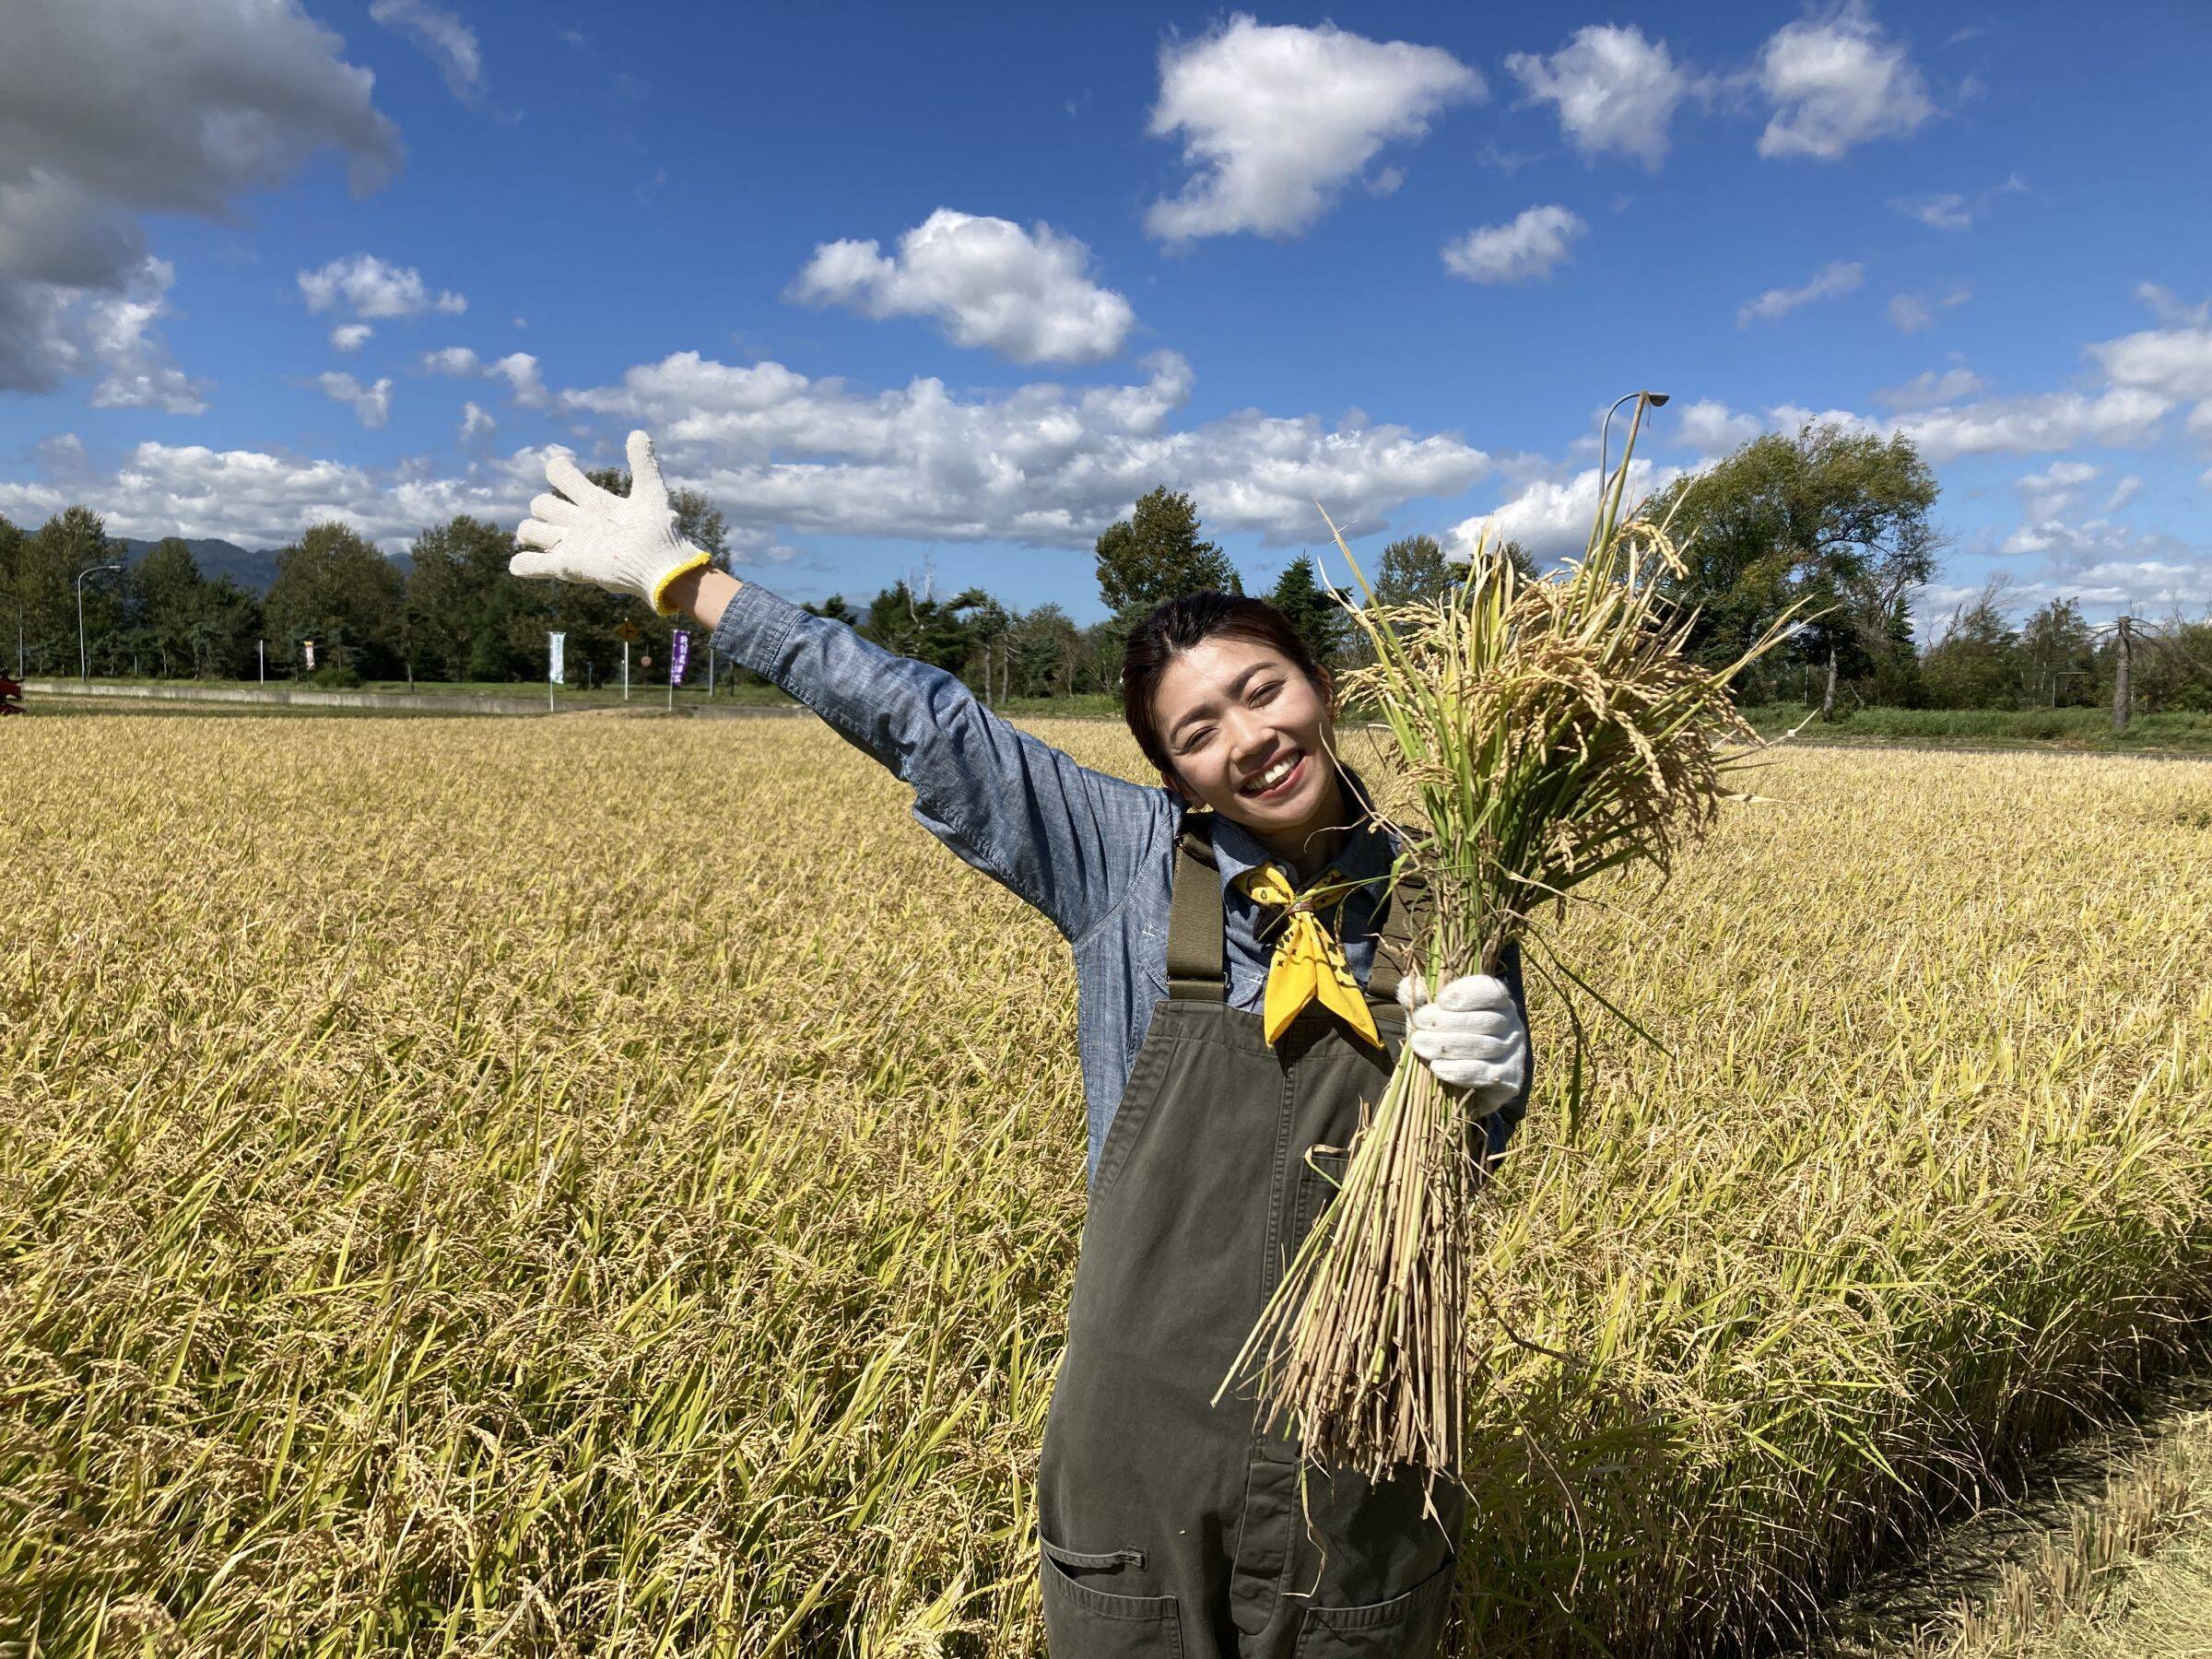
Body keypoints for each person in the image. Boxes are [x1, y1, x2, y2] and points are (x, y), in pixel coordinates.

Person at [512, 431, 1534, 1658]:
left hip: (1364, 1437)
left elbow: (1457, 1170)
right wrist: (691, 585)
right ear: (1175, 778)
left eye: (1262, 690)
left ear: (1320, 683)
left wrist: (1501, 1087)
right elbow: (923, 720)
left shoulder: (1455, 892)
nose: (1247, 736)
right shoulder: (1124, 863)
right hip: (1142, 1435)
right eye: (1198, 730)